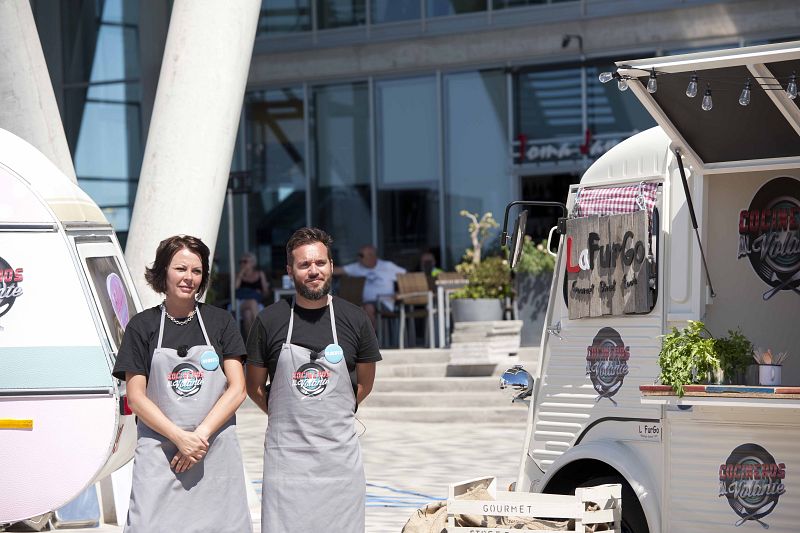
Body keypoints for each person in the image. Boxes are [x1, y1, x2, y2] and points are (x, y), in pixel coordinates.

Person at [245, 227, 381, 533]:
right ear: (290, 271)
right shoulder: (269, 320)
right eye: (304, 264)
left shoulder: (355, 319)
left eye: (320, 262)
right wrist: (290, 414)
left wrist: (329, 413)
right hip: (286, 459)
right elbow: (254, 386)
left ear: (331, 266)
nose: (313, 271)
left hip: (339, 460)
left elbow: (364, 384)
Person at [112, 235, 251, 533]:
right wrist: (179, 437)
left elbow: (238, 388)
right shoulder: (142, 326)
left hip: (213, 449)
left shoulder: (221, 322)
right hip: (160, 452)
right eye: (180, 268)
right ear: (163, 271)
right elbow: (136, 398)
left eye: (196, 271)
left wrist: (198, 437)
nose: (189, 277)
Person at [334, 244, 406, 329]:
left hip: (384, 303)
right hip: (364, 303)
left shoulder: (387, 266)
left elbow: (408, 278)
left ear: (371, 256)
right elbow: (337, 271)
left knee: (368, 308)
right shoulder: (358, 267)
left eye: (361, 255)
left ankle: (370, 336)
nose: (358, 258)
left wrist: (399, 293)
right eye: (358, 255)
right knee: (353, 309)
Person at [235, 251, 269, 334]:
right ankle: (262, 334)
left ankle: (251, 341)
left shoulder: (260, 274)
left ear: (253, 263)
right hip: (240, 303)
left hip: (257, 304)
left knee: (247, 314)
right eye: (240, 262)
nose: (242, 264)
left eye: (245, 261)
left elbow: (266, 292)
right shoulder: (238, 275)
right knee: (252, 302)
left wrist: (259, 293)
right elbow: (234, 289)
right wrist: (241, 274)